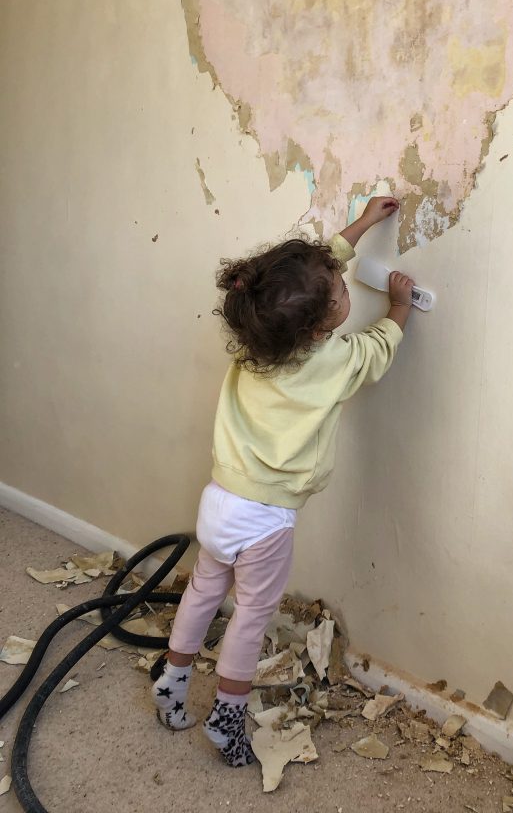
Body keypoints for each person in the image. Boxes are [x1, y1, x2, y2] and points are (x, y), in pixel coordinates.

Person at [150, 197, 414, 766]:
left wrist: (365, 223)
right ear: (322, 323)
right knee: (248, 619)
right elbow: (377, 349)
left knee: (202, 592)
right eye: (341, 293)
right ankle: (227, 717)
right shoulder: (333, 361)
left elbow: (315, 271)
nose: (346, 288)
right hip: (265, 521)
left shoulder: (257, 341)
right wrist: (399, 306)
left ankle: (171, 679)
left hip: (218, 502)